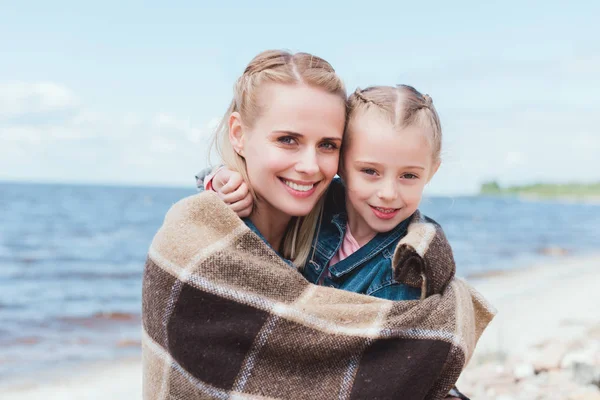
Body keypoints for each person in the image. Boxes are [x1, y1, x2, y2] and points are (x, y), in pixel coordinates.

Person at [144, 52, 494, 399]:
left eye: (327, 145)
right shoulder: (202, 229)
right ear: (238, 134)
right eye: (287, 139)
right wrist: (218, 179)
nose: (310, 166)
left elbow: (390, 368)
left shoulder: (394, 255)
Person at [199, 84, 469, 399]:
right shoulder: (317, 200)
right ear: (341, 163)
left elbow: (386, 369)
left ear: (431, 171)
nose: (388, 193)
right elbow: (252, 205)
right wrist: (221, 181)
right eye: (370, 171)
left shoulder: (406, 264)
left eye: (408, 176)